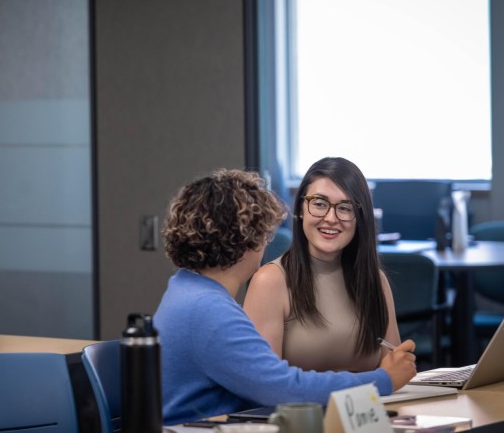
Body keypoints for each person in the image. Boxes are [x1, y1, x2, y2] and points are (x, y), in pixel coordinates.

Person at [153, 168, 416, 425]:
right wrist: (382, 380)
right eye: (263, 233)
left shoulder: (185, 291)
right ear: (248, 240)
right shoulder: (207, 308)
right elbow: (281, 388)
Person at [243, 156, 401, 373]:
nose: (330, 218)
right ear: (300, 209)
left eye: (345, 208)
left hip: (369, 407)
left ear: (359, 217)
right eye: (319, 204)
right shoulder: (270, 281)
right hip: (296, 408)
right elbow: (264, 384)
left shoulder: (375, 280)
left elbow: (396, 373)